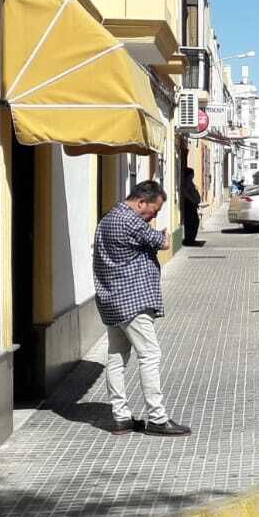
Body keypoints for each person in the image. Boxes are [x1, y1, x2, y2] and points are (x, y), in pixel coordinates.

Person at [92, 181, 191, 437]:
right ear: (141, 202)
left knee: (116, 356)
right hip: (132, 300)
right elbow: (162, 242)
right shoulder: (131, 221)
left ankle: (121, 417)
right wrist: (164, 237)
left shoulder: (107, 219)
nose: (154, 216)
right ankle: (157, 417)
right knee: (149, 354)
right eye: (154, 211)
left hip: (110, 299)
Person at [180, 167, 202, 245]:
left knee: (194, 222)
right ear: (189, 175)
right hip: (189, 205)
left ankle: (191, 239)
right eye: (192, 173)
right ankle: (189, 240)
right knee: (192, 222)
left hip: (192, 205)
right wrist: (192, 200)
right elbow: (185, 192)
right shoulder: (187, 182)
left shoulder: (190, 182)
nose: (193, 175)